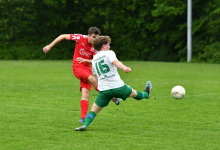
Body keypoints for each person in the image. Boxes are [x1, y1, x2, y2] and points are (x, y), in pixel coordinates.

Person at [43, 27, 122, 124]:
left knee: (86, 94)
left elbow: (94, 61)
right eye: (93, 37)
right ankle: (113, 98)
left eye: (97, 38)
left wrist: (86, 61)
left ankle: (83, 118)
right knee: (94, 80)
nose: (95, 40)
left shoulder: (95, 47)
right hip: (78, 67)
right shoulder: (80, 38)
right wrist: (49, 46)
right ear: (88, 35)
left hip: (87, 68)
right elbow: (63, 36)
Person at [74, 35, 152, 131]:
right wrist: (125, 68)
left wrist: (99, 88)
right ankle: (147, 94)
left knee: (93, 110)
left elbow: (95, 78)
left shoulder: (94, 60)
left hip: (104, 91)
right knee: (134, 93)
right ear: (103, 46)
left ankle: (84, 125)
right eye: (108, 44)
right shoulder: (109, 53)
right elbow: (116, 62)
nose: (109, 46)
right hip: (118, 87)